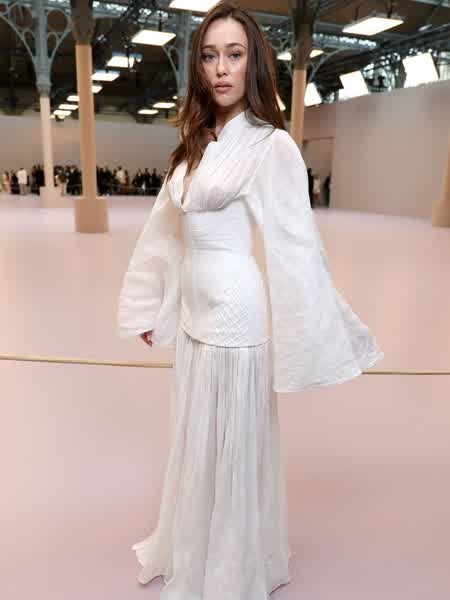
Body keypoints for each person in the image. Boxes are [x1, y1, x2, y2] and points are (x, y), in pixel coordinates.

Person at [117, 2, 384, 598]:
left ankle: (233, 565)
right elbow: (165, 230)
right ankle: (194, 546)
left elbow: (296, 245)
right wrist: (148, 303)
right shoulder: (194, 142)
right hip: (194, 314)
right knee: (196, 438)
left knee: (234, 447)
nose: (221, 68)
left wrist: (327, 331)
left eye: (234, 55)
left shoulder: (270, 145)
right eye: (210, 56)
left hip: (238, 316)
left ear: (253, 63)